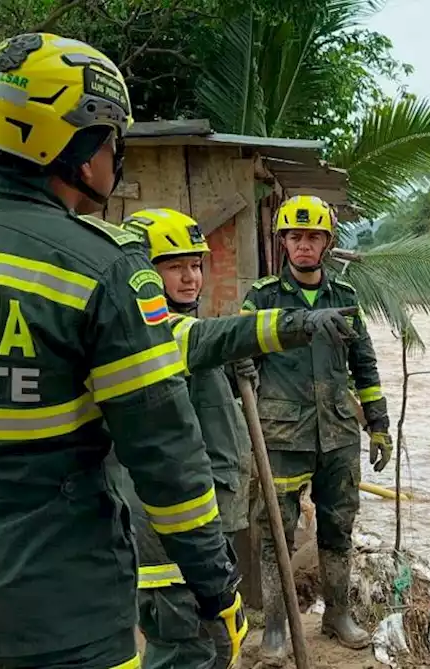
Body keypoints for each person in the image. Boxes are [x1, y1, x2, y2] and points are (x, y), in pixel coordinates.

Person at [0, 33, 238, 669]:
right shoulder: (103, 271)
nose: (116, 158)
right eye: (113, 139)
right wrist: (216, 585)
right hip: (62, 610)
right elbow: (165, 455)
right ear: (78, 149)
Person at [112, 207, 357, 669]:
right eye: (173, 267)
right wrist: (294, 325)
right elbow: (206, 338)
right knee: (189, 640)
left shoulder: (183, 325)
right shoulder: (145, 333)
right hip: (167, 526)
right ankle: (278, 631)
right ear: (144, 274)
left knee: (217, 636)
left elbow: (207, 349)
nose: (190, 278)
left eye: (195, 266)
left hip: (204, 511)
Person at [239, 195, 394, 666]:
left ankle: (338, 615)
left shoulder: (345, 298)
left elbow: (364, 365)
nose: (303, 245)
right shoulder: (262, 298)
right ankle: (276, 628)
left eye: (312, 237)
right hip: (281, 436)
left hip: (339, 433)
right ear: (283, 242)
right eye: (295, 237)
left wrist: (380, 426)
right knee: (276, 533)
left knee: (338, 526)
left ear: (327, 243)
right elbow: (238, 354)